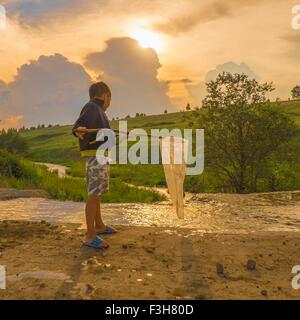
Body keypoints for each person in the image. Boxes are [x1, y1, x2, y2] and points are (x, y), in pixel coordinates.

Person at [72, 82, 117, 249]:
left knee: (97, 192)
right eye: (109, 99)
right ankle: (90, 235)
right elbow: (78, 127)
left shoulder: (99, 111)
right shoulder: (91, 107)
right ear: (105, 95)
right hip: (95, 156)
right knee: (94, 193)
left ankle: (99, 225)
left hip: (101, 156)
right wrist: (77, 129)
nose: (109, 104)